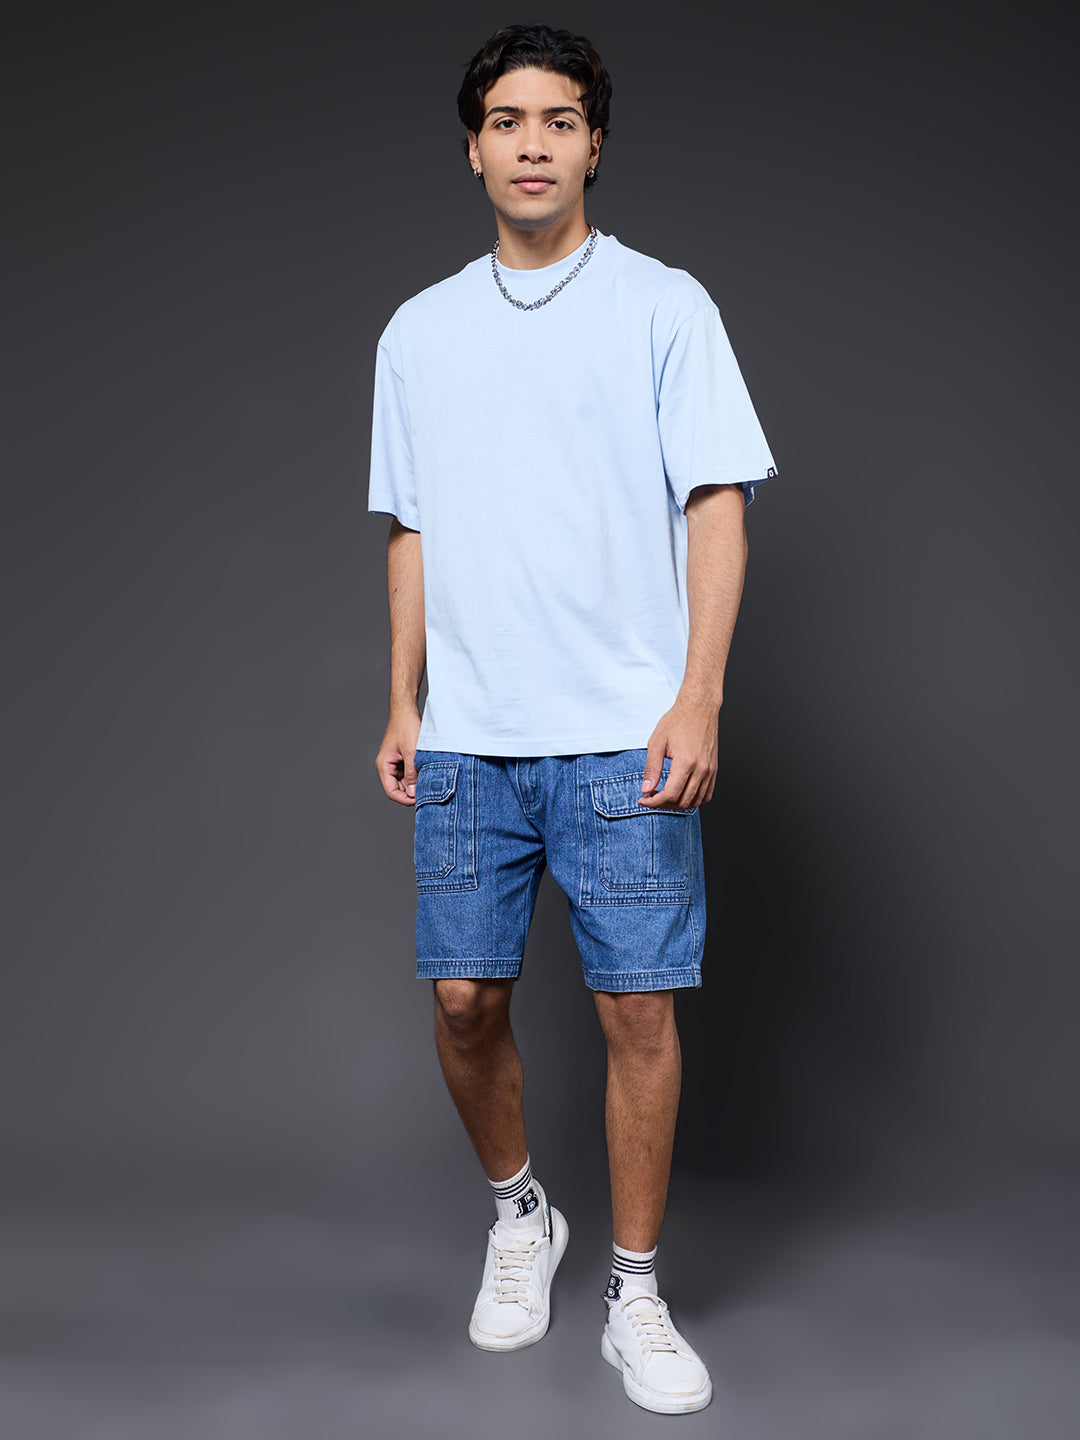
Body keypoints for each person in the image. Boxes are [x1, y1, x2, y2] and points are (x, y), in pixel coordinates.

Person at [369, 23, 778, 1417]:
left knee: (636, 1013)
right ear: (472, 146)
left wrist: (698, 694)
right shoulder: (418, 332)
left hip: (623, 734)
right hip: (470, 736)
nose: (532, 143)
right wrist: (404, 698)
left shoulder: (665, 306)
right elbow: (412, 527)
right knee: (462, 999)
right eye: (506, 120)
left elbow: (716, 501)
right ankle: (522, 1216)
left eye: (558, 120)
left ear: (595, 143)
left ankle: (635, 1292)